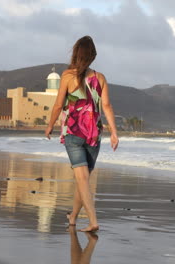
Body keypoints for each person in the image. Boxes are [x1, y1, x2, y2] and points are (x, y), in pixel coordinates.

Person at [45, 36, 119, 232]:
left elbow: (59, 105)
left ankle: (93, 221)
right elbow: (107, 106)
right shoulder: (100, 78)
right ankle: (73, 217)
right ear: (93, 55)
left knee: (82, 178)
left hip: (74, 133)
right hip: (94, 135)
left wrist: (50, 125)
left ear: (76, 54)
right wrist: (114, 133)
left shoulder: (67, 76)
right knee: (83, 178)